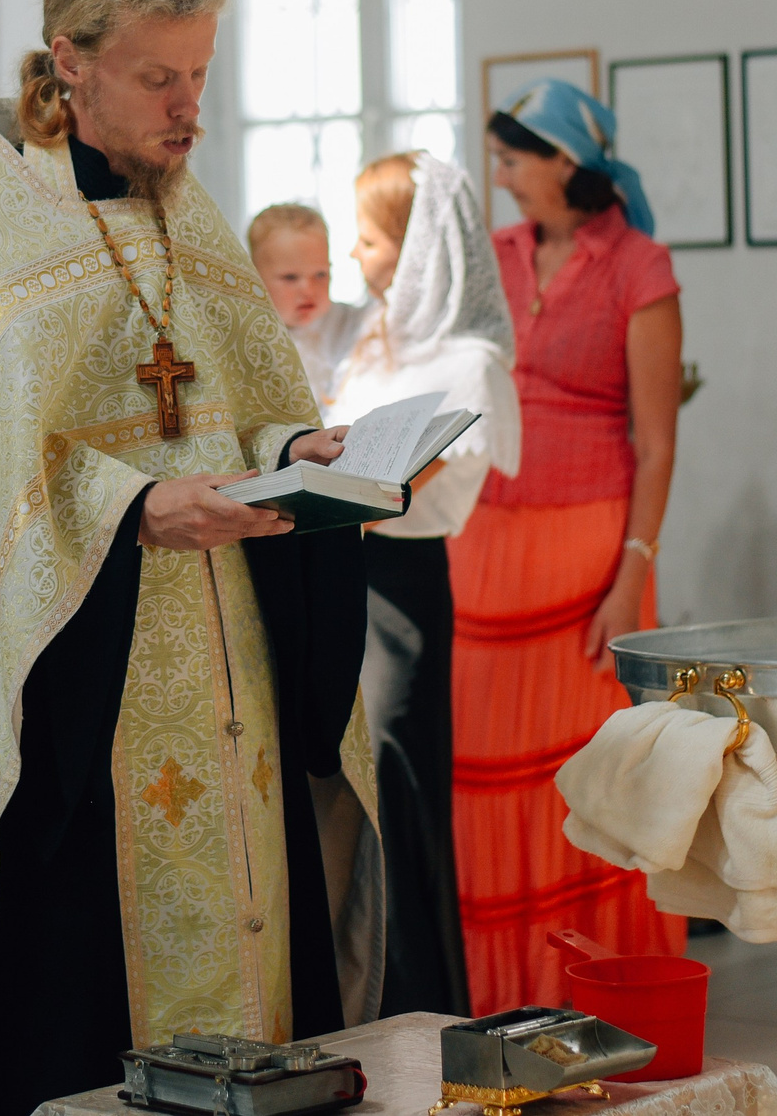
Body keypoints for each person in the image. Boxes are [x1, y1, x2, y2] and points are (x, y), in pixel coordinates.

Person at [0, 0, 383, 1116]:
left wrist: (294, 450)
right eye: (159, 76)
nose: (189, 107)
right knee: (82, 1009)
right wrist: (131, 507)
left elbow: (239, 406)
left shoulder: (189, 215)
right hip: (86, 691)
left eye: (200, 73)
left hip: (233, 658)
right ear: (68, 60)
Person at [454, 79, 685, 1012]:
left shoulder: (642, 264)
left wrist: (634, 570)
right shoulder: (493, 255)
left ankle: (595, 1000)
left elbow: (658, 440)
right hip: (478, 545)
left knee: (590, 781)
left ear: (565, 161)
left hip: (591, 553)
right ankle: (494, 1003)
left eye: (514, 160)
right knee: (478, 778)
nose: (501, 178)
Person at [330, 151, 518, 1018]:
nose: (358, 256)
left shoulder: (469, 360)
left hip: (399, 589)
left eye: (371, 239)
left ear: (416, 249)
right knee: (337, 797)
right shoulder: (367, 340)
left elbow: (420, 482)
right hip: (332, 570)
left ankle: (422, 1010)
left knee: (398, 794)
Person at [247, 202, 358, 412]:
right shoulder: (250, 337)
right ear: (255, 277)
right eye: (290, 277)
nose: (308, 289)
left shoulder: (348, 322)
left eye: (320, 274)